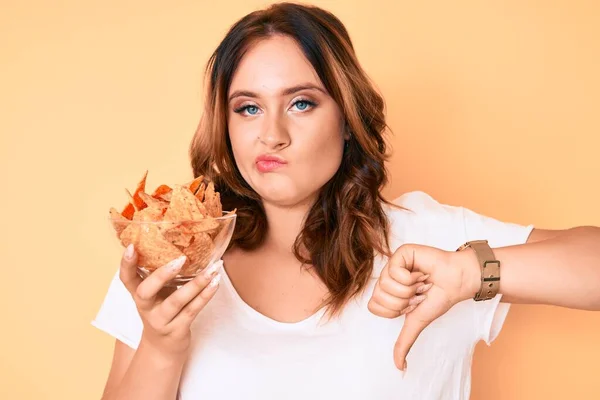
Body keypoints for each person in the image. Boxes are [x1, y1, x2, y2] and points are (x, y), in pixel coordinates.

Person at [92, 3, 600, 399]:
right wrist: (161, 347)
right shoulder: (170, 262)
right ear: (226, 128)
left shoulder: (429, 239)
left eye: (300, 103)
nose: (271, 134)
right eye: (248, 108)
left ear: (347, 117)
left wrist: (473, 272)